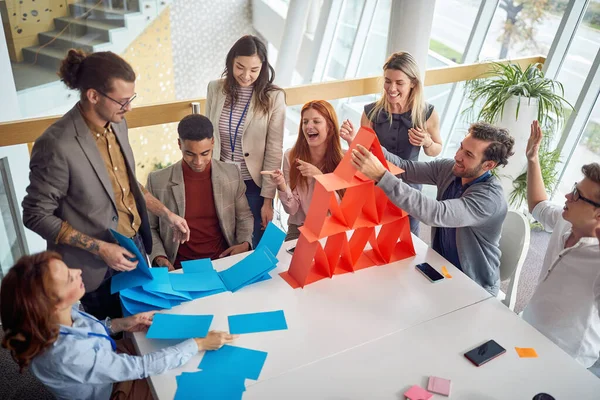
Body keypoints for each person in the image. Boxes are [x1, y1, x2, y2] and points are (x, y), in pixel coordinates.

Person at [22, 50, 189, 320]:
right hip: (93, 265)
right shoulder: (56, 145)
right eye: (122, 101)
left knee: (145, 321)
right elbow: (34, 215)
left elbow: (126, 184)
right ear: (93, 95)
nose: (129, 107)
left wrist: (166, 214)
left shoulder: (117, 124)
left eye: (130, 99)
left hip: (132, 246)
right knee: (113, 335)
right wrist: (101, 248)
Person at [0, 252, 237, 400]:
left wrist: (122, 323)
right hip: (113, 389)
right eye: (70, 278)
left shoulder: (58, 313)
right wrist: (198, 343)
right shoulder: (67, 355)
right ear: (52, 304)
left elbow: (87, 333)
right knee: (190, 386)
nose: (78, 271)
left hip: (109, 357)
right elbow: (140, 367)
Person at [351, 122, 515, 295]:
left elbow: (435, 213)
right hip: (441, 268)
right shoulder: (450, 169)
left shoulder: (489, 199)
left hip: (473, 286)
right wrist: (372, 146)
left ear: (488, 165)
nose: (457, 156)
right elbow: (405, 168)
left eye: (468, 154)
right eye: (460, 147)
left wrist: (381, 176)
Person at [522, 121, 600, 377]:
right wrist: (533, 159)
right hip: (527, 326)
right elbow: (538, 205)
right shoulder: (565, 222)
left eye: (577, 195)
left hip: (567, 358)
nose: (568, 196)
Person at [340, 51, 442, 236]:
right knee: (371, 237)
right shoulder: (370, 113)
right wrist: (352, 140)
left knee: (409, 240)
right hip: (376, 185)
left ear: (413, 84)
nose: (391, 88)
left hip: (410, 188)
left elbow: (436, 150)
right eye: (387, 81)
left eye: (399, 82)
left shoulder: (427, 113)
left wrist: (427, 142)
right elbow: (364, 155)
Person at [206, 35, 286, 249]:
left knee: (252, 245)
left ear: (263, 68)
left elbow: (273, 150)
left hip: (253, 184)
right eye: (240, 67)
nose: (246, 75)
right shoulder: (215, 89)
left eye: (254, 69)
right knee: (222, 242)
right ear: (231, 61)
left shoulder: (273, 97)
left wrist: (268, 199)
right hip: (220, 181)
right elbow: (208, 137)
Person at [146, 114, 254, 270]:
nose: (198, 162)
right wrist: (160, 258)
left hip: (223, 261)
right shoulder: (157, 181)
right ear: (179, 144)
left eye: (205, 153)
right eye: (190, 154)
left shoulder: (231, 174)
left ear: (213, 143)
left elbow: (244, 217)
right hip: (178, 267)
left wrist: (244, 243)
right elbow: (149, 228)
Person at [265, 100, 344, 241]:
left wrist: (319, 177)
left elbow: (339, 208)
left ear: (330, 127)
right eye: (305, 122)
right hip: (299, 228)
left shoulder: (342, 159)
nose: (309, 126)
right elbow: (292, 209)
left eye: (316, 121)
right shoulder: (291, 157)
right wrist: (281, 184)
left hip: (331, 227)